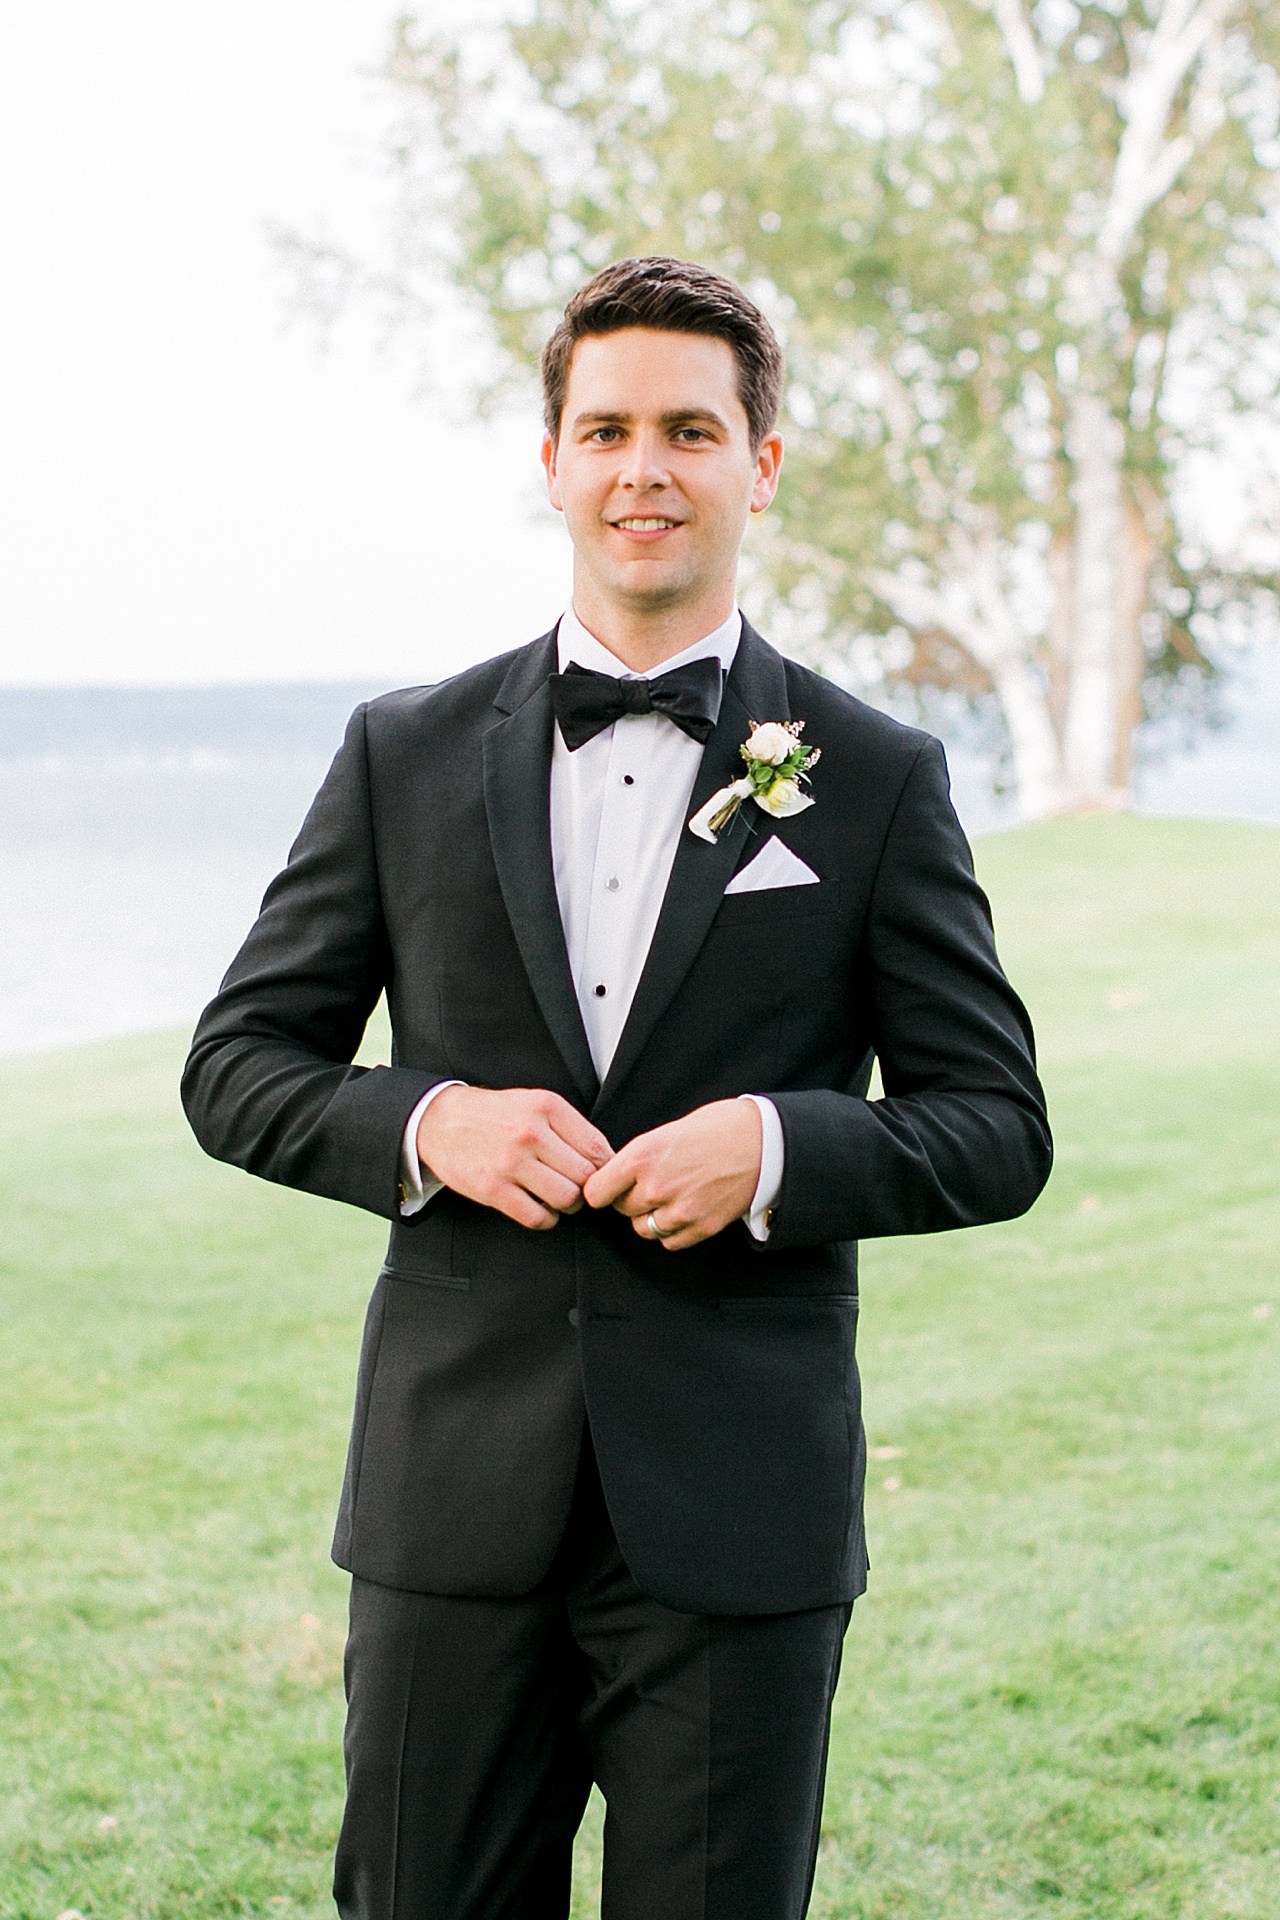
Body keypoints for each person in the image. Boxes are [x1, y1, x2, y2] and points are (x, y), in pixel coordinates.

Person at [182, 255, 1051, 1920]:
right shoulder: (402, 752)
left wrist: (780, 1148)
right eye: (606, 429)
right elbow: (238, 1067)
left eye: (689, 430)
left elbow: (996, 1126)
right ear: (556, 461)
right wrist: (433, 1123)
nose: (643, 467)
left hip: (739, 1519)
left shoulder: (871, 777)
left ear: (760, 464)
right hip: (451, 1506)